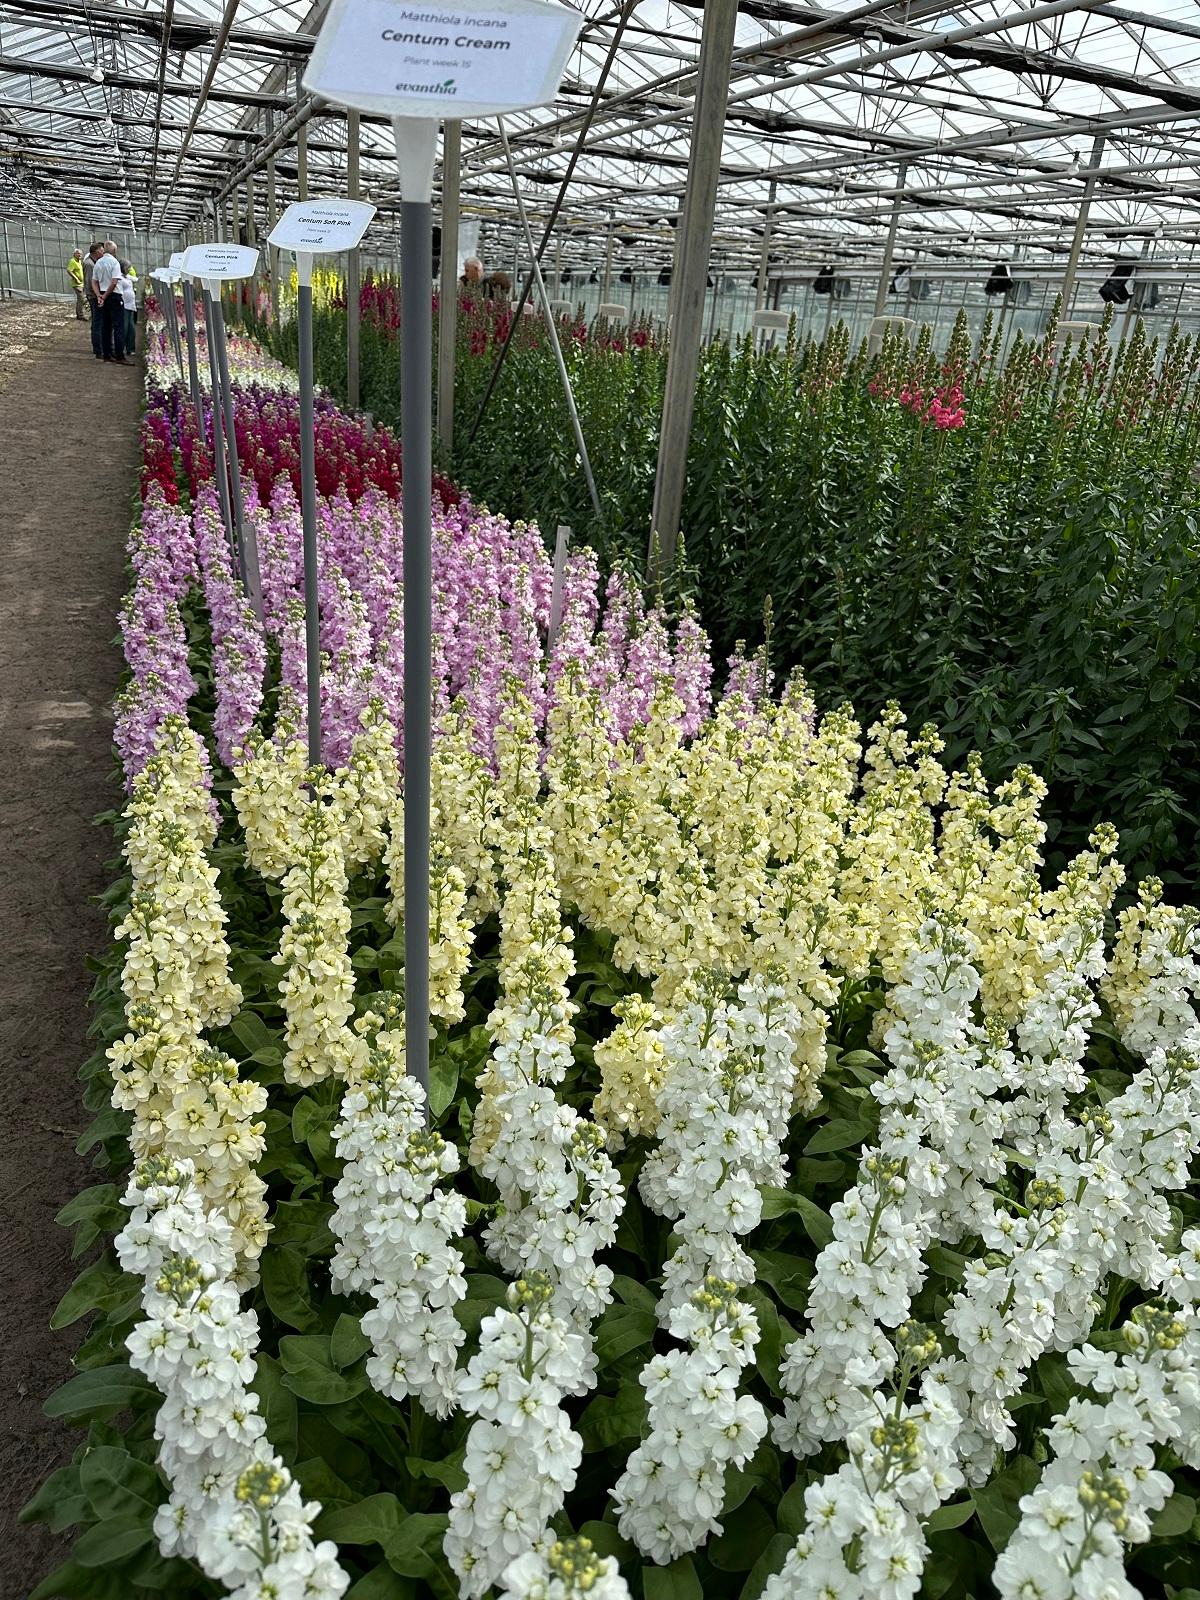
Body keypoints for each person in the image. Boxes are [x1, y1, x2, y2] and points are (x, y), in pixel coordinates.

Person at [92, 243, 128, 364]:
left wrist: (99, 296)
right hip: (114, 295)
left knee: (105, 326)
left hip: (102, 293)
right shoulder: (114, 263)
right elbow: (114, 282)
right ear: (113, 250)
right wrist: (106, 295)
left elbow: (94, 281)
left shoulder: (98, 262)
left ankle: (107, 354)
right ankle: (119, 355)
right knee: (118, 327)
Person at [83, 241, 105, 358]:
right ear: (96, 252)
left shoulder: (93, 262)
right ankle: (98, 349)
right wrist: (98, 296)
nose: (103, 253)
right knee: (97, 322)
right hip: (93, 296)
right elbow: (91, 282)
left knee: (98, 322)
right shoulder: (89, 264)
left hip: (94, 295)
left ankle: (99, 347)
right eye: (102, 250)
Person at [117, 259, 138, 358]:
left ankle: (131, 348)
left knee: (131, 328)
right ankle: (120, 348)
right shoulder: (119, 278)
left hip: (130, 305)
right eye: (128, 267)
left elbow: (135, 279)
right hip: (123, 305)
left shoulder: (127, 276)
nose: (130, 269)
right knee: (124, 328)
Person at [67, 249, 85, 319]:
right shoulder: (72, 261)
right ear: (74, 254)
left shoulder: (79, 261)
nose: (80, 255)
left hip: (81, 283)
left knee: (80, 299)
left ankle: (79, 314)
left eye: (81, 254)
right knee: (81, 299)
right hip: (76, 284)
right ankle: (80, 315)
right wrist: (76, 278)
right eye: (78, 253)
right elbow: (69, 270)